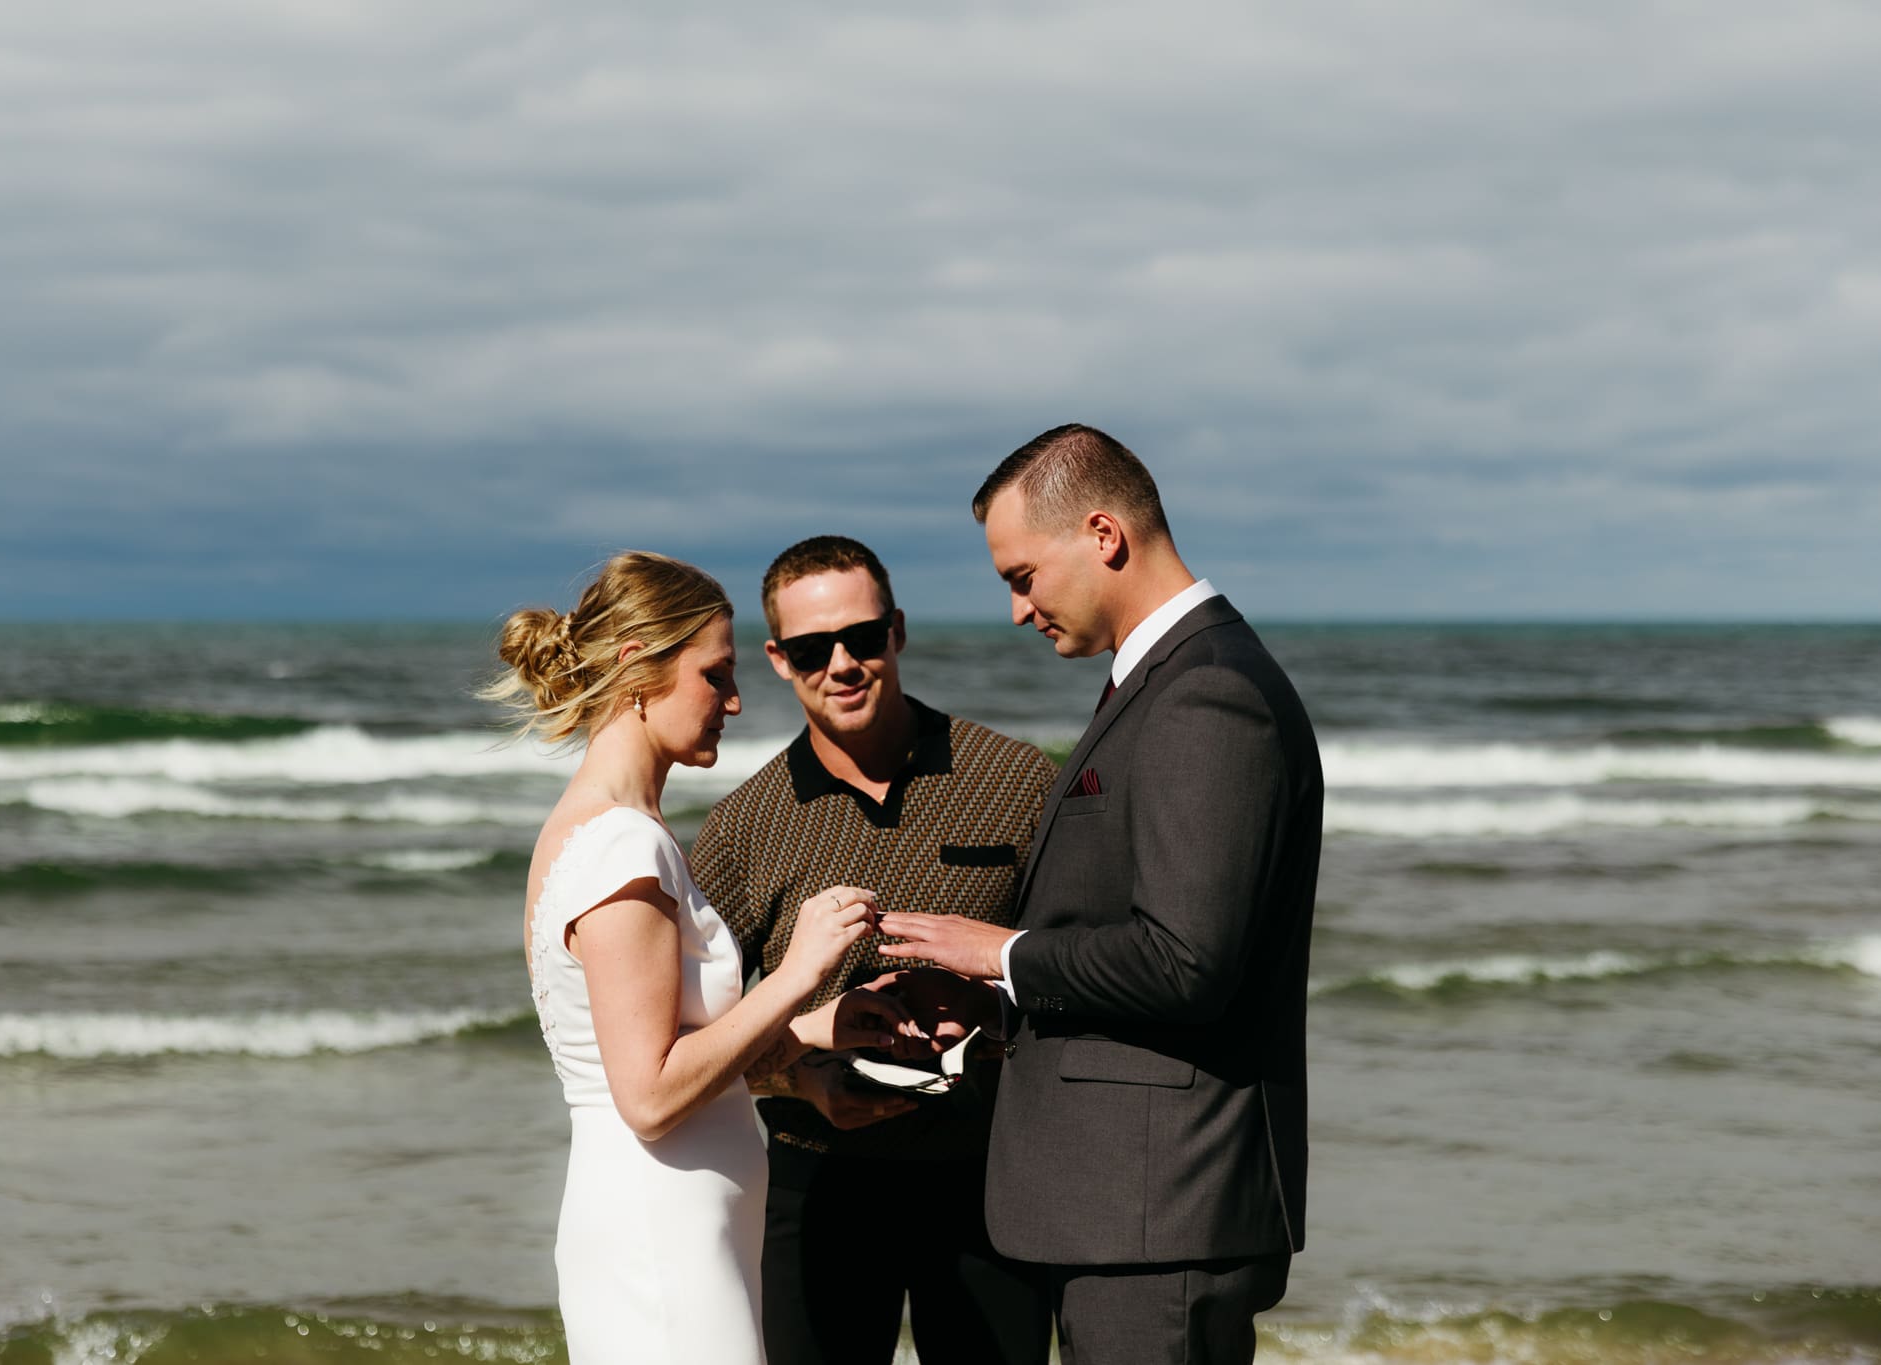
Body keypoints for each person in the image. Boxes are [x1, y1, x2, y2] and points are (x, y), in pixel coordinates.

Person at [878, 425, 1324, 1365]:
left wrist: (997, 951)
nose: (1015, 609)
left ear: (1103, 534)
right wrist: (1000, 1001)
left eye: (1022, 575)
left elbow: (1185, 960)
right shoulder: (1160, 681)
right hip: (1131, 1211)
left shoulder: (1207, 694)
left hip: (1162, 1214)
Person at [487, 551, 925, 1365]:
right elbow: (649, 1095)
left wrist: (807, 1044)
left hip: (676, 1232)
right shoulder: (621, 842)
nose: (733, 699)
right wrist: (796, 973)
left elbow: (675, 1059)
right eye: (714, 674)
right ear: (636, 668)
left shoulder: (611, 829)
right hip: (662, 1242)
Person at [689, 535, 1057, 1365]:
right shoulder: (743, 828)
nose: (844, 663)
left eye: (862, 637)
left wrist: (993, 1007)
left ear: (897, 629)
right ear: (780, 660)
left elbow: (1079, 970)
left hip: (987, 1180)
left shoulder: (1018, 781)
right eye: (815, 648)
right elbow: (695, 1048)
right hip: (815, 1183)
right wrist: (804, 1080)